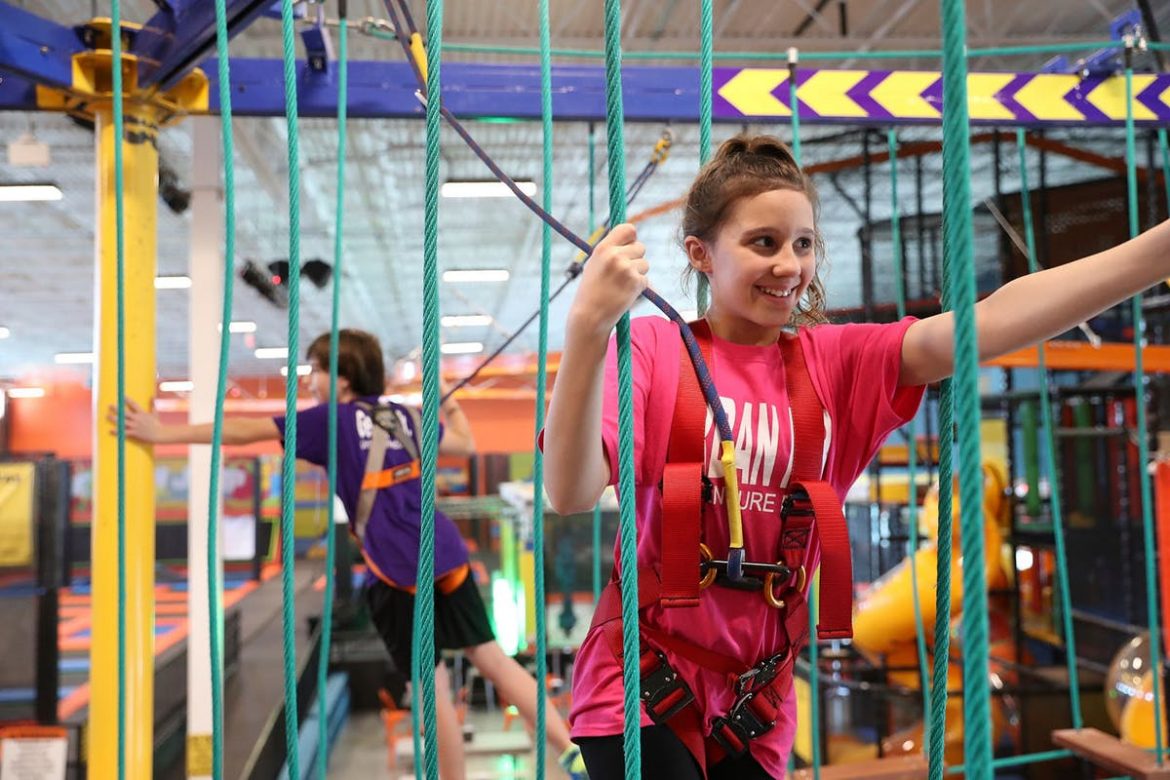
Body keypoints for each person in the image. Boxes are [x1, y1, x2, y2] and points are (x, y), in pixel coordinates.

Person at [543, 133, 1170, 779]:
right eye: (764, 243)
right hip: (640, 686)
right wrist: (588, 327)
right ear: (701, 253)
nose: (789, 265)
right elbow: (569, 491)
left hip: (753, 702)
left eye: (803, 244)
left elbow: (989, 322)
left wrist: (1156, 252)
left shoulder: (835, 364)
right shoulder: (653, 351)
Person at [112, 328, 586, 780]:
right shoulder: (402, 416)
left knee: (432, 686)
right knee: (493, 659)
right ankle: (570, 748)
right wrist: (444, 394)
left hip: (397, 569)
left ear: (342, 378)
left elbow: (243, 430)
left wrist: (161, 433)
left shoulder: (330, 421)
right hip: (445, 553)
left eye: (315, 370)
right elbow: (466, 442)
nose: (309, 381)